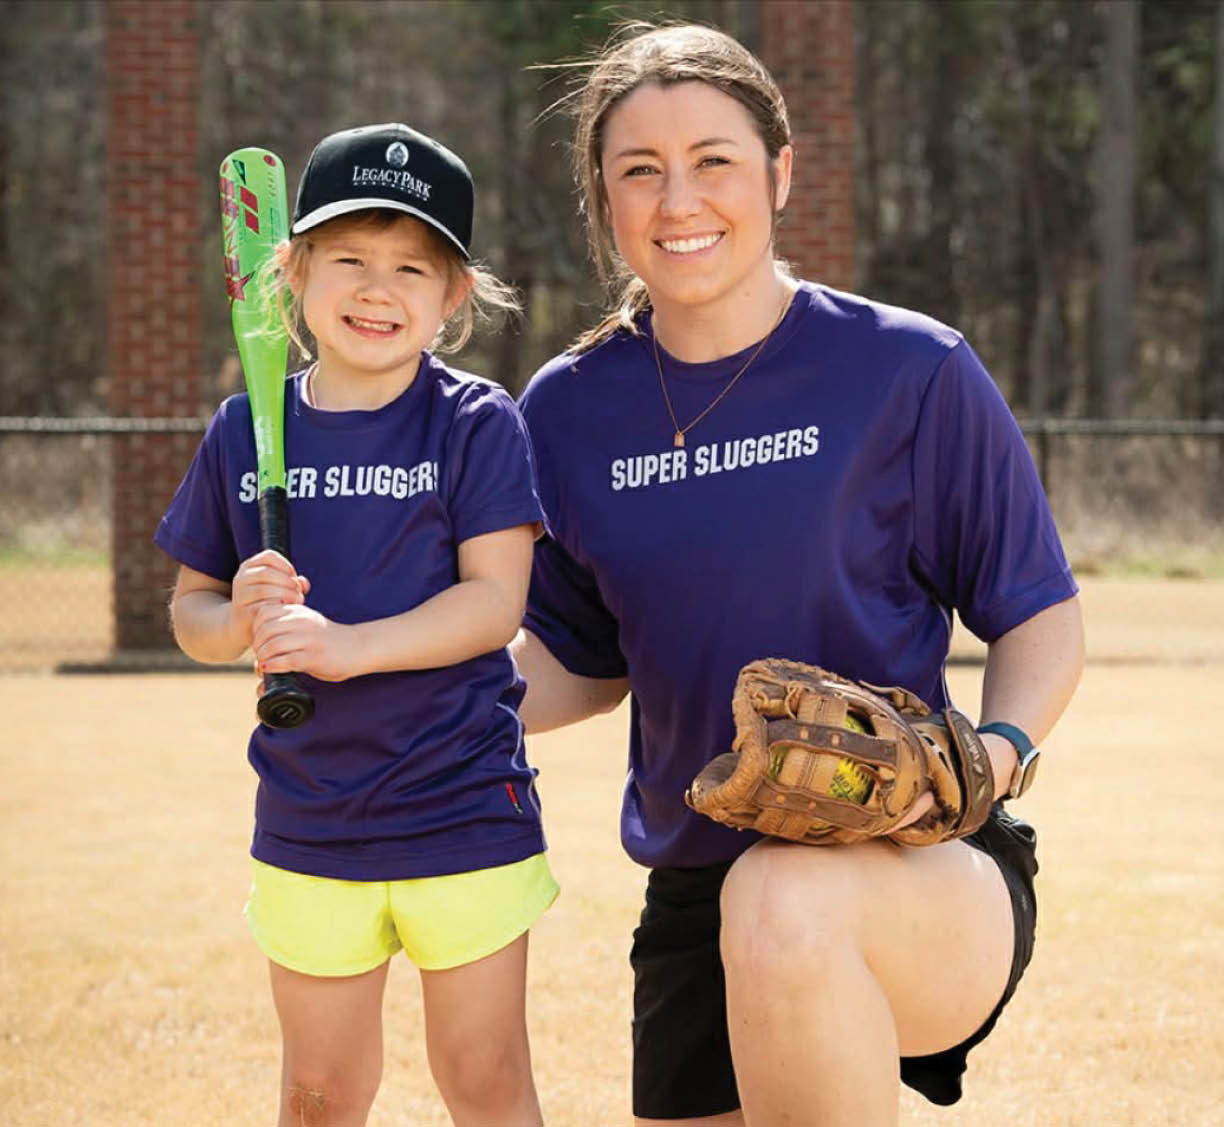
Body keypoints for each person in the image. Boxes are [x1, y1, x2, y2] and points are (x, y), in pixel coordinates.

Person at [512, 24, 1085, 1127]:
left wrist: (997, 756)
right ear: (605, 200)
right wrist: (390, 680)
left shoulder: (906, 370)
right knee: (754, 902)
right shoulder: (569, 410)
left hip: (915, 861)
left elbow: (1040, 613)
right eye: (641, 170)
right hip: (696, 884)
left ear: (780, 170)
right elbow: (577, 659)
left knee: (782, 894)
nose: (679, 199)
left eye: (714, 159)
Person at [155, 122, 556, 1127]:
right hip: (309, 813)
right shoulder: (243, 428)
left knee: (485, 1078)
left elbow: (495, 603)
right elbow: (192, 612)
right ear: (289, 270)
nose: (380, 289)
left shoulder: (473, 422)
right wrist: (233, 616)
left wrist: (346, 646)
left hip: (461, 801)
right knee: (321, 1092)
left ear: (454, 294)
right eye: (350, 259)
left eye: (413, 267)